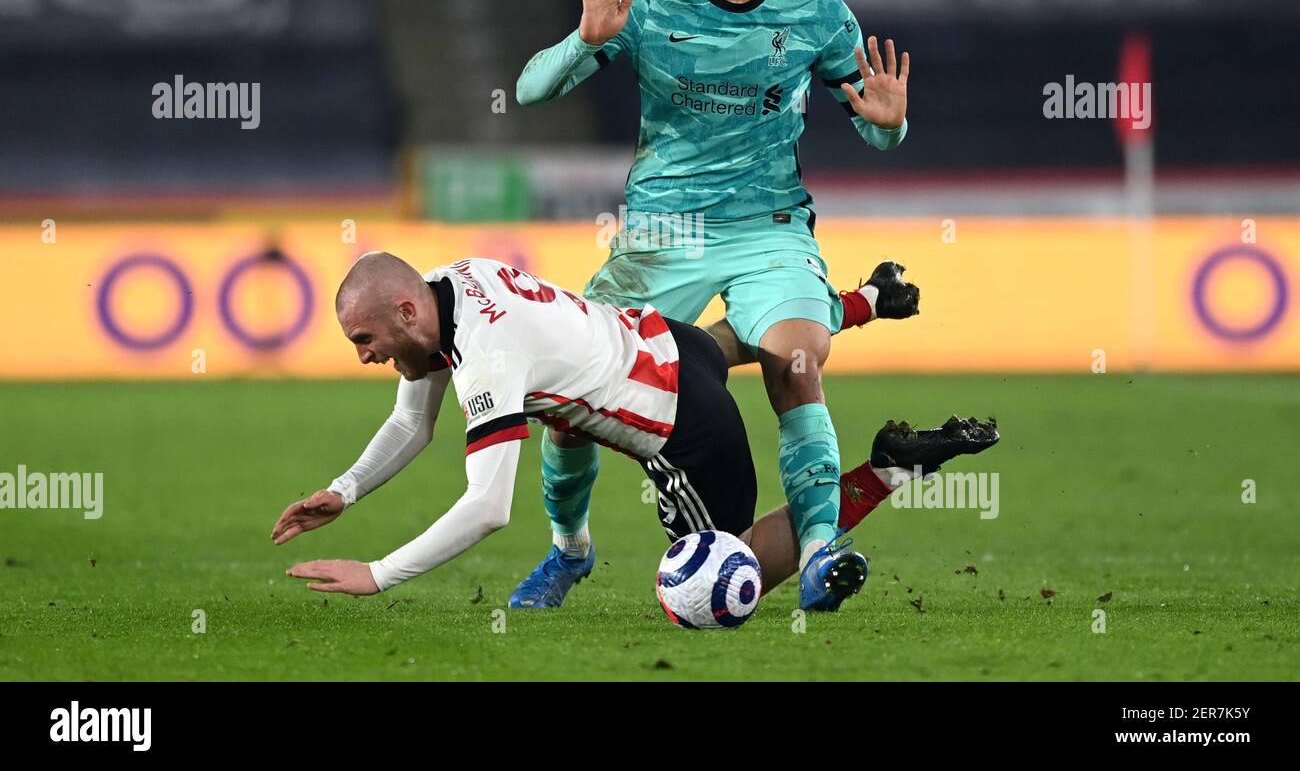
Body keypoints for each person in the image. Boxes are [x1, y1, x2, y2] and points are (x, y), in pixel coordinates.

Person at [513, 0, 915, 609]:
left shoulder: (817, 9)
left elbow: (873, 125)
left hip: (771, 223)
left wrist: (890, 128)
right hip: (665, 232)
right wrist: (587, 40)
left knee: (797, 362)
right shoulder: (650, 1)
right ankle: (569, 550)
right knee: (564, 401)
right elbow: (531, 89)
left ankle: (824, 548)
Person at [273, 253, 997, 602]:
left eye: (363, 340)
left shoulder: (489, 356)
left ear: (404, 314)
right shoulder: (446, 286)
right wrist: (347, 489)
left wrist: (377, 573)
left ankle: (890, 468)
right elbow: (412, 419)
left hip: (685, 433)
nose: (364, 357)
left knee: (722, 577)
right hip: (671, 342)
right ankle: (866, 299)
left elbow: (489, 507)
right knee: (573, 420)